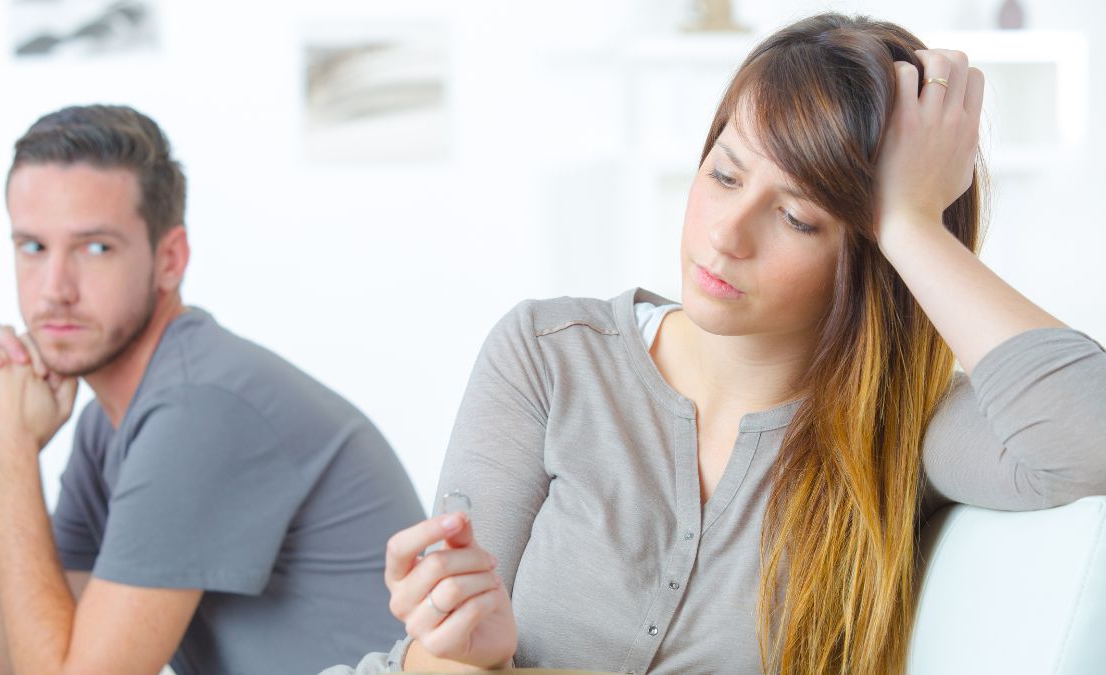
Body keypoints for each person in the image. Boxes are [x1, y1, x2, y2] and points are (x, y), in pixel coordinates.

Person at [328, 13, 1106, 675]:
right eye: (725, 175)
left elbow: (1091, 437)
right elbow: (433, 653)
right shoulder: (549, 352)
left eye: (798, 217)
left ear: (870, 258)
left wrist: (910, 221)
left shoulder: (907, 430)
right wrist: (471, 655)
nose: (726, 234)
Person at [0, 104, 425, 675]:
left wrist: (12, 456)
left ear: (170, 259)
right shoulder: (109, 425)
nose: (54, 289)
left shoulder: (200, 408)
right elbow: (14, 665)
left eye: (95, 248)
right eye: (33, 247)